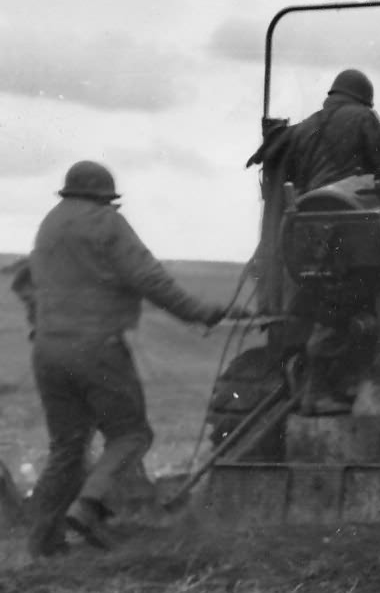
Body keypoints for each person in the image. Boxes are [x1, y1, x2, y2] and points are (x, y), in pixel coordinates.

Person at [25, 161, 231, 558]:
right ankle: (88, 508)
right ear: (106, 197)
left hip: (47, 349)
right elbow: (150, 279)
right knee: (131, 434)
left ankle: (42, 542)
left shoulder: (49, 224)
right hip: (96, 348)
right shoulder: (106, 223)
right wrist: (200, 312)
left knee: (67, 445)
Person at [283, 69, 380, 413]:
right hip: (348, 222)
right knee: (353, 306)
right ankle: (329, 389)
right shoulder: (363, 118)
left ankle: (318, 386)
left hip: (308, 224)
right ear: (364, 97)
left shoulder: (306, 125)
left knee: (327, 304)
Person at [285, 68, 380, 194]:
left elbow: (295, 176)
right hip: (348, 204)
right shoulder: (363, 117)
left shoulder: (306, 125)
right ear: (364, 100)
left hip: (307, 205)